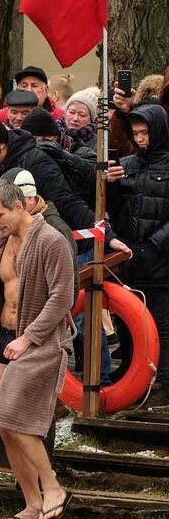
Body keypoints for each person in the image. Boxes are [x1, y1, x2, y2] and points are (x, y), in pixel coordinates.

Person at [0, 179, 75, 519]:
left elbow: (63, 297)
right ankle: (33, 503)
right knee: (3, 425)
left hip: (37, 341)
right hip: (3, 337)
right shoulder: (2, 240)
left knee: (11, 416)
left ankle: (53, 487)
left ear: (20, 206)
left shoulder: (51, 240)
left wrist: (28, 337)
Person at [106, 104, 169, 401]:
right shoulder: (128, 164)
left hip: (160, 259)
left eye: (145, 133)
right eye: (136, 133)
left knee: (161, 323)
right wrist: (113, 186)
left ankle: (163, 381)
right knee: (128, 322)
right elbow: (115, 210)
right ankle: (132, 379)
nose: (141, 139)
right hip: (129, 257)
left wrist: (154, 244)